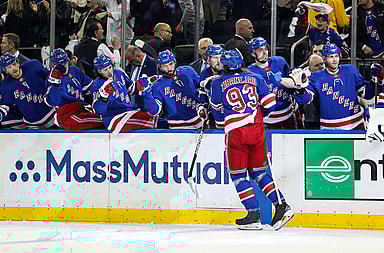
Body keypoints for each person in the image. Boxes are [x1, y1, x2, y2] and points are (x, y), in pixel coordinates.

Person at [209, 49, 294, 230]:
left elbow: (217, 118)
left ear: (224, 65)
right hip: (257, 130)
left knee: (238, 175)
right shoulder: (256, 77)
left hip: (236, 133)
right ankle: (281, 205)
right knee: (259, 172)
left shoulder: (217, 83)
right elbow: (270, 105)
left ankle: (253, 214)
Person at [306, 43, 376, 130]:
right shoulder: (317, 77)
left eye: (336, 56)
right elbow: (304, 99)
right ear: (325, 58)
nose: (334, 60)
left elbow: (366, 95)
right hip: (329, 127)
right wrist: (300, 88)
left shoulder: (350, 70)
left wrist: (374, 80)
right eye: (331, 57)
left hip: (355, 124)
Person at [136, 49, 205, 129]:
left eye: (171, 64)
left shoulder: (188, 71)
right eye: (165, 66)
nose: (169, 68)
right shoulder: (158, 85)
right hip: (176, 126)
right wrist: (147, 93)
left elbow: (203, 86)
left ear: (175, 62)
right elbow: (154, 111)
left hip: (199, 121)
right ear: (160, 67)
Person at [91, 55, 157, 133]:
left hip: (128, 112)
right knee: (148, 121)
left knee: (156, 119)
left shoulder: (119, 74)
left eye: (109, 67)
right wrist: (103, 97)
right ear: (98, 72)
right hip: (113, 118)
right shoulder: (97, 85)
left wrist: (141, 84)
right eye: (105, 70)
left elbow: (131, 88)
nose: (109, 71)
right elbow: (98, 110)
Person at [247, 37, 302, 129]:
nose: (264, 52)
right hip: (269, 119)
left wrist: (285, 79)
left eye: (265, 49)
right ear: (253, 53)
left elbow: (295, 82)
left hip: (290, 113)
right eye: (260, 50)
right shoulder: (250, 73)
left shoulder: (279, 61)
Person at [44, 48, 104, 131]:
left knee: (104, 117)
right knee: (103, 121)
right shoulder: (51, 79)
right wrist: (55, 84)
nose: (63, 66)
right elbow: (53, 102)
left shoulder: (75, 70)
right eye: (59, 65)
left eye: (65, 63)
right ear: (54, 65)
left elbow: (91, 87)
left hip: (82, 109)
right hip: (67, 115)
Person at [0, 53, 56, 129]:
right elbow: (5, 105)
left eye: (14, 64)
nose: (14, 68)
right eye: (9, 67)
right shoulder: (6, 86)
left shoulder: (33, 65)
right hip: (33, 126)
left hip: (53, 116)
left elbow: (51, 77)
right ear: (5, 70)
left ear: (18, 62)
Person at [303, 54, 324, 129]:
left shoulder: (331, 79)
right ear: (309, 68)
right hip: (312, 121)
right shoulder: (306, 83)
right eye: (317, 65)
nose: (321, 67)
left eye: (322, 64)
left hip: (328, 121)